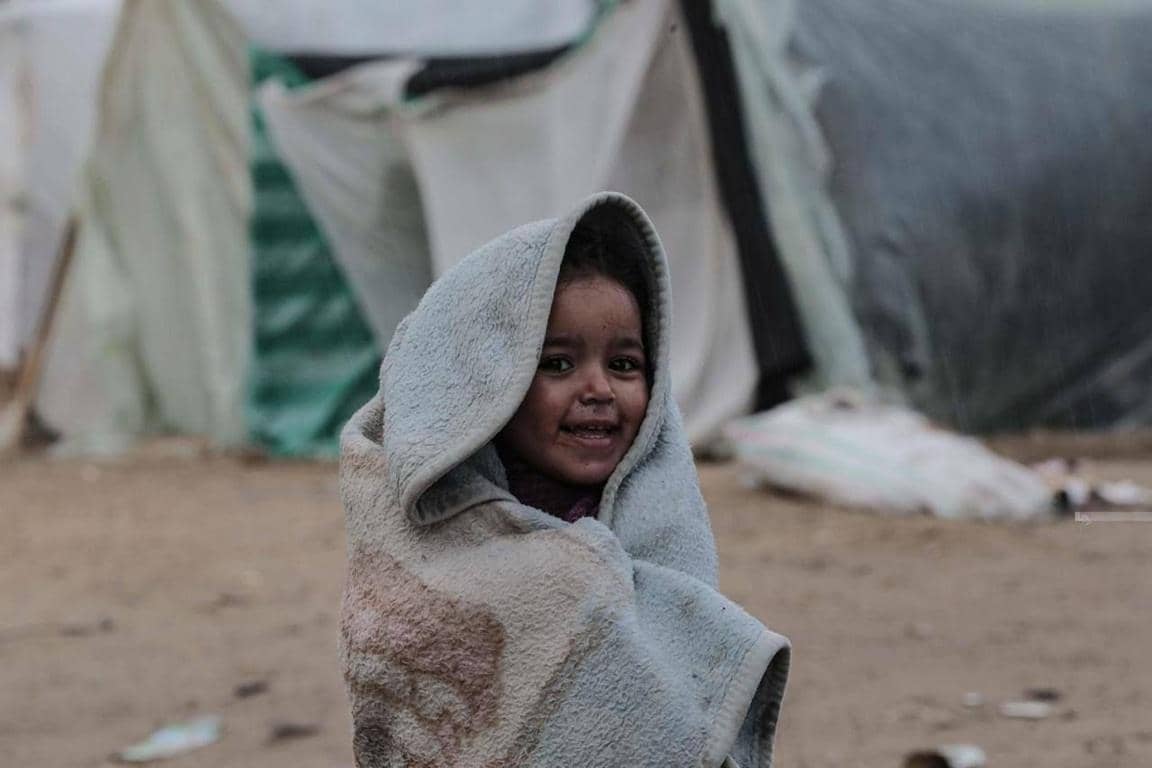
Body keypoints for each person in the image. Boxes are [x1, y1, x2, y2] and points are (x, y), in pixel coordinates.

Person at [340, 192, 789, 767]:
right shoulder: (435, 549)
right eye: (556, 364)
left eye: (624, 364)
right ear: (488, 385)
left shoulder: (658, 534)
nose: (598, 389)